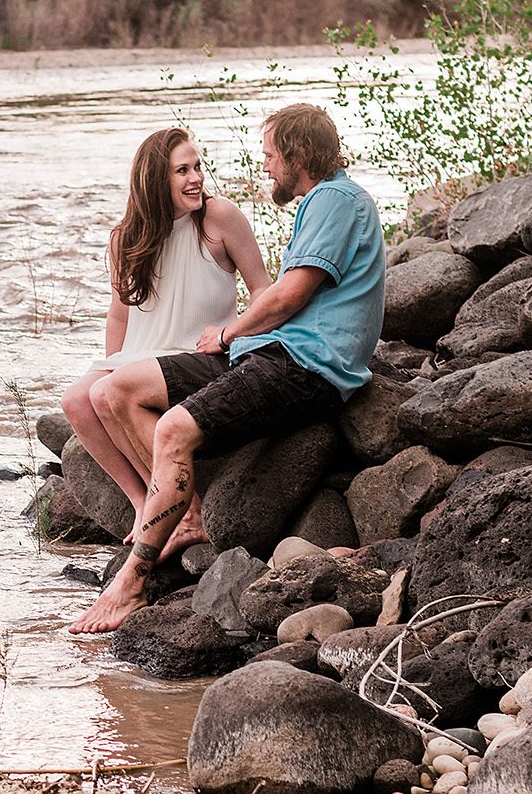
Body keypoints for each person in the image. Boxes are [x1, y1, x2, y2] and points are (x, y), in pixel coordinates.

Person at [70, 103, 385, 635]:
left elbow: (287, 293)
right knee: (113, 391)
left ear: (298, 155)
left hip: (301, 366)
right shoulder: (322, 202)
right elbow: (123, 308)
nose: (264, 167)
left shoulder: (335, 199)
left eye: (269, 155)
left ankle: (133, 580)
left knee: (172, 429)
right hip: (269, 354)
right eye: (184, 169)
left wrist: (229, 331)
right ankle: (161, 512)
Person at [61, 126, 270, 555]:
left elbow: (263, 289)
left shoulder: (220, 217)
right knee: (77, 401)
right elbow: (120, 313)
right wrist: (111, 363)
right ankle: (143, 504)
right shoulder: (126, 237)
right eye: (182, 171)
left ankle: (185, 510)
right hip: (141, 353)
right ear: (156, 179)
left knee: (105, 394)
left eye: (198, 167)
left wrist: (243, 334)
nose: (196, 178)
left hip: (199, 354)